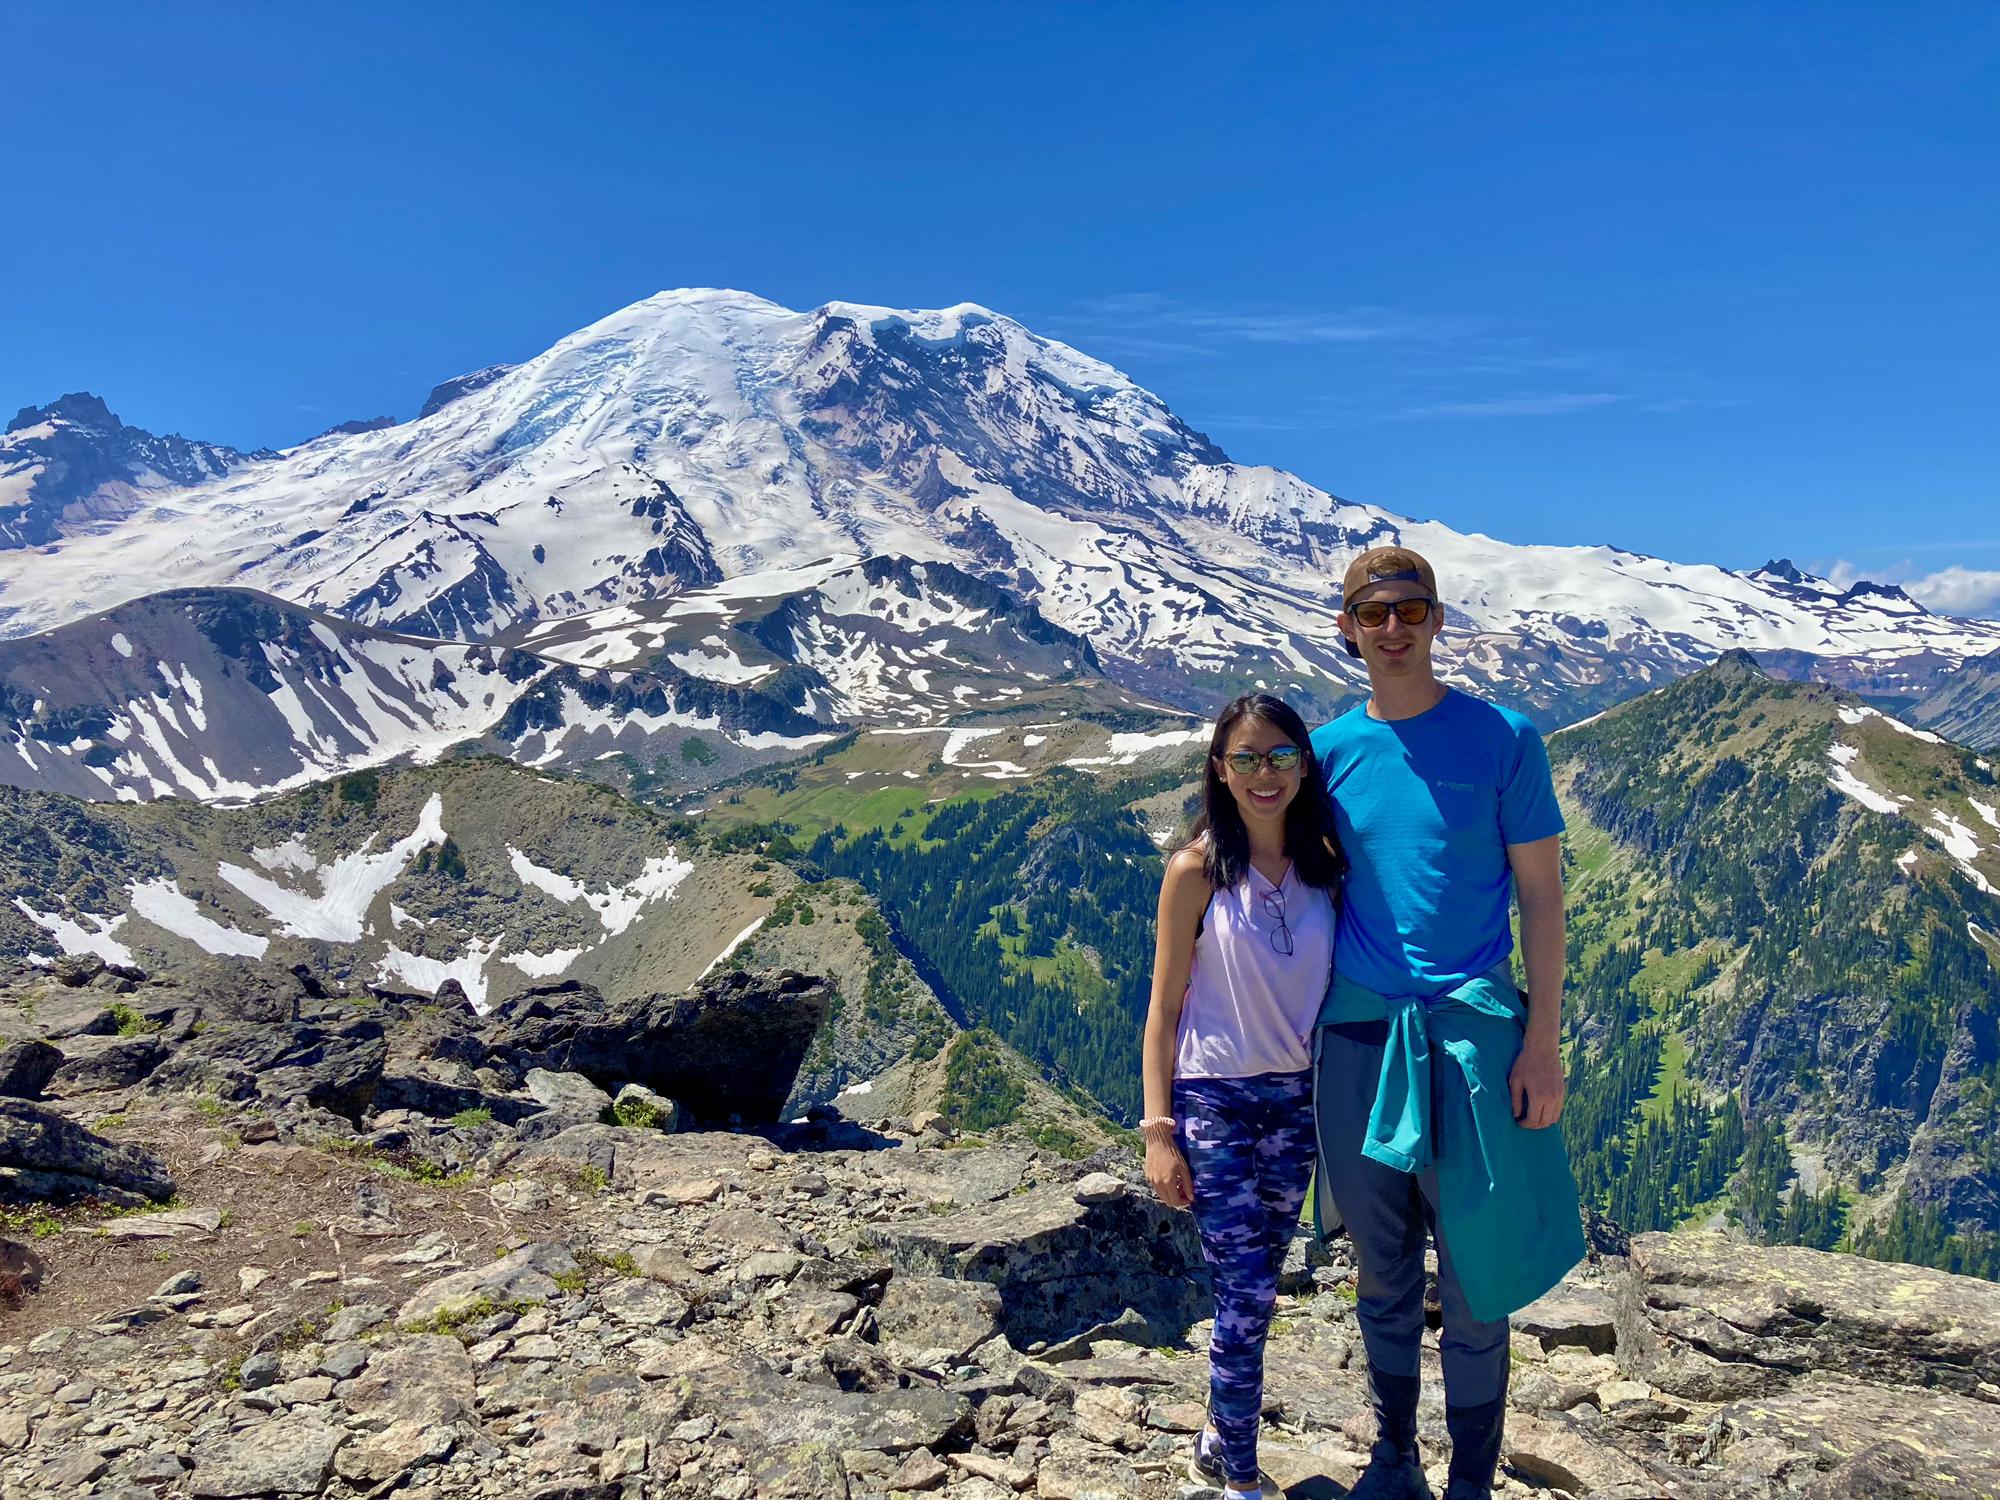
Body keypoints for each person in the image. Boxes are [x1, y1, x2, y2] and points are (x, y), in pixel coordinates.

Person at [1310, 546, 1585, 1500]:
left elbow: (1541, 898)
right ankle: (1395, 1459)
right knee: (1380, 1266)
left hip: (1474, 1039)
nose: (1393, 627)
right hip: (1357, 1038)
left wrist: (1541, 1045)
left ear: (1436, 620)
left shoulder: (1506, 738)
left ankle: (1470, 1476)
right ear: (1347, 628)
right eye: (1373, 612)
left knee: (1475, 1271)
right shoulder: (1326, 753)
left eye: (1411, 610)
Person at [1140, 692, 1345, 1500]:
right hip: (1213, 1102)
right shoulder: (1194, 871)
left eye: (1281, 756)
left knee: (1252, 1288)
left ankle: (1217, 1434)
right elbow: (1163, 1008)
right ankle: (1241, 1481)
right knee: (1250, 1290)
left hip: (1296, 1102)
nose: (1266, 773)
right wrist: (1159, 1133)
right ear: (1220, 771)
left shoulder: (1325, 864)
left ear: (1303, 765)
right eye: (1247, 758)